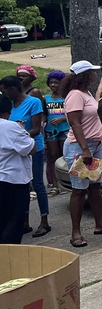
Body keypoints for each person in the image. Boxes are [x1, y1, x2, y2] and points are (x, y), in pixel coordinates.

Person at [62, 61, 102, 247]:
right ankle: (76, 232)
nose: (97, 74)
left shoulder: (86, 94)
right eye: (93, 72)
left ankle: (100, 223)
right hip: (80, 146)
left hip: (95, 144)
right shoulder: (75, 96)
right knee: (79, 190)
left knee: (95, 186)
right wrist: (85, 149)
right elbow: (75, 123)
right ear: (85, 75)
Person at [0, 75, 49, 238]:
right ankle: (23, 222)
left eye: (4, 91)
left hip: (32, 144)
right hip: (16, 145)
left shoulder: (33, 101)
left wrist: (19, 136)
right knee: (23, 188)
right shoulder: (9, 105)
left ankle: (44, 221)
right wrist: (14, 138)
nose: (3, 94)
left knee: (37, 183)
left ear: (13, 89)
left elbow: (36, 128)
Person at [0, 94, 36, 245]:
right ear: (9, 111)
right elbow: (30, 148)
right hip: (11, 180)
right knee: (13, 222)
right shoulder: (10, 127)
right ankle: (9, 261)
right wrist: (23, 131)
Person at [43, 71, 69, 196]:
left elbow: (72, 113)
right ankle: (54, 184)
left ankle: (65, 183)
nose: (53, 85)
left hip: (64, 129)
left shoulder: (67, 97)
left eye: (56, 82)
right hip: (50, 130)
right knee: (53, 156)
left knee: (64, 156)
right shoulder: (46, 98)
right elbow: (44, 114)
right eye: (51, 82)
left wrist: (62, 118)